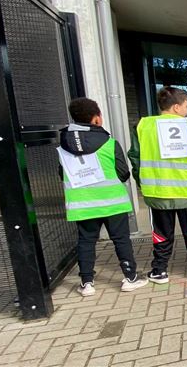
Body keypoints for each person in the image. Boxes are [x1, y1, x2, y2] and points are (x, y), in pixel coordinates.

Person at [59, 98, 147, 296]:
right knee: (121, 239)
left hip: (82, 203)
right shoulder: (109, 142)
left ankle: (87, 283)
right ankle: (130, 277)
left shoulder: (63, 144)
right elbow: (123, 172)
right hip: (112, 201)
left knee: (86, 241)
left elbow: (61, 173)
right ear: (96, 119)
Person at [129, 87, 187, 284]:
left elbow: (134, 157)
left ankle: (159, 270)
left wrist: (141, 182)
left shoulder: (143, 126)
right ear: (176, 107)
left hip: (157, 190)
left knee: (160, 232)